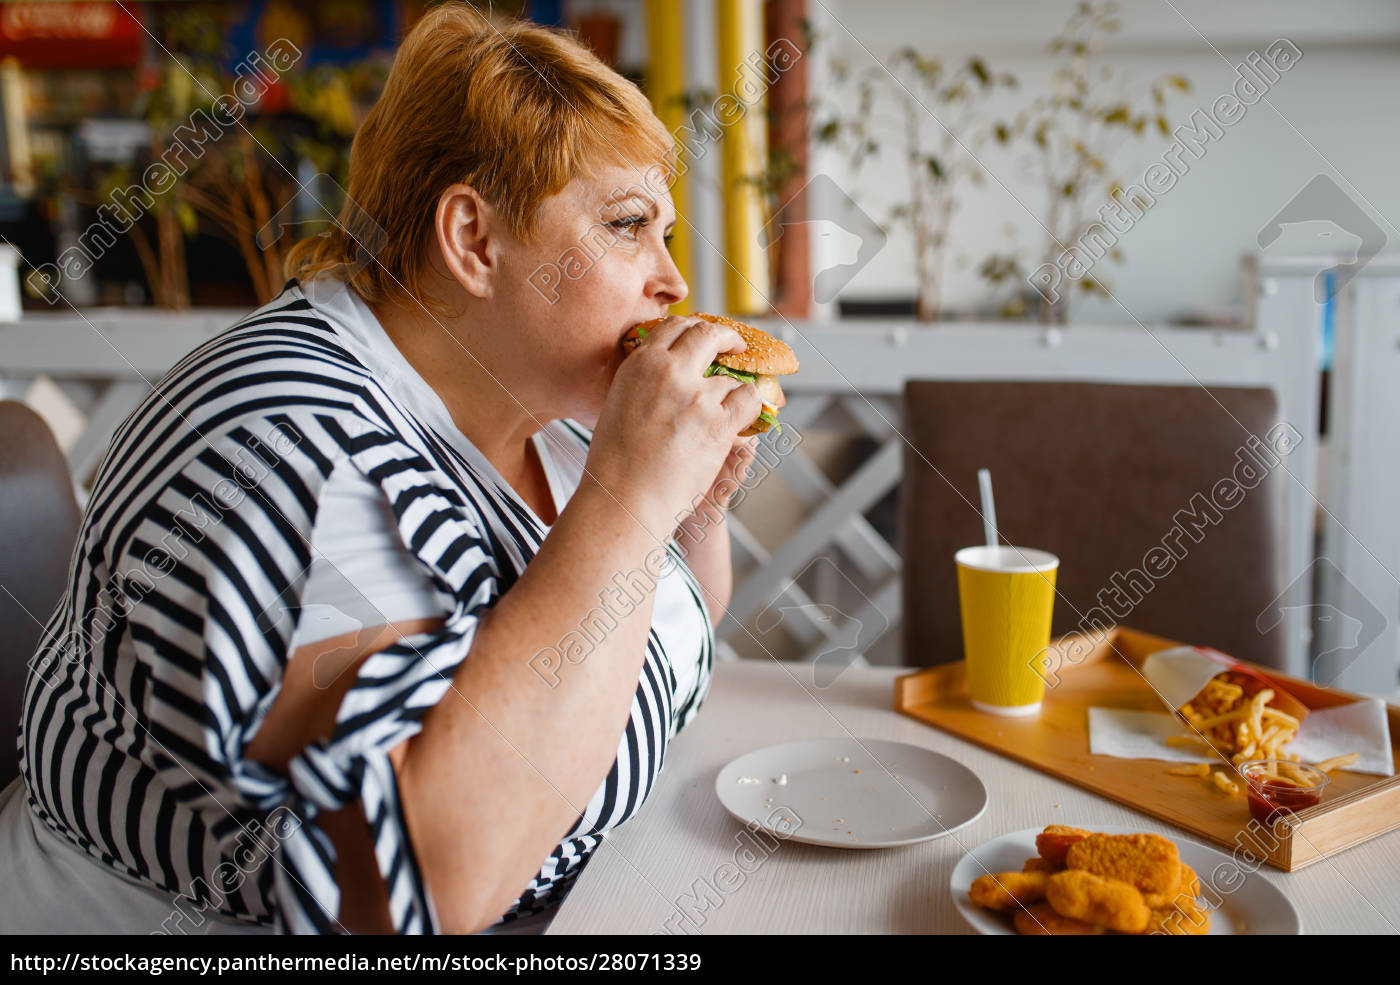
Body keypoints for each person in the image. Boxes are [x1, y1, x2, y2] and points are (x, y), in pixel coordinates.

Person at [0, 4, 763, 934]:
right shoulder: (288, 444)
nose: (674, 281)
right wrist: (635, 502)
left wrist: (691, 513)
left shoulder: (549, 418)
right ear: (474, 239)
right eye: (628, 224)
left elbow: (671, 620)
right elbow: (417, 880)